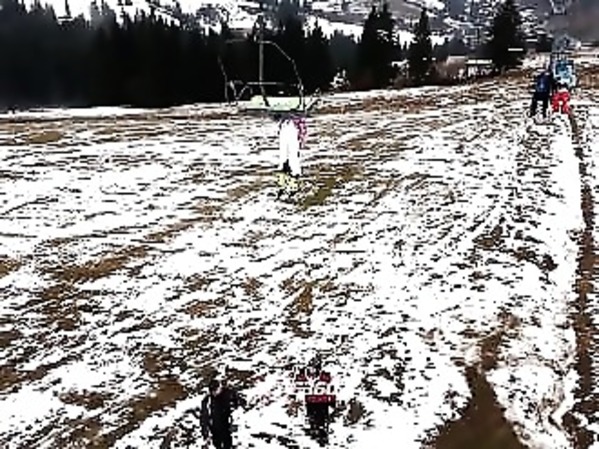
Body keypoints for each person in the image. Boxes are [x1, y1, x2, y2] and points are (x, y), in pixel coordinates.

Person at [199, 379, 245, 449]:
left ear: (219, 388)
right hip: (215, 430)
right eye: (212, 391)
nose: (214, 393)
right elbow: (204, 417)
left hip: (227, 428)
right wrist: (205, 432)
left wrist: (235, 418)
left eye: (215, 390)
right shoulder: (207, 401)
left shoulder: (229, 394)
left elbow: (240, 405)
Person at [276, 112, 307, 197]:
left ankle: (293, 185)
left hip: (293, 127)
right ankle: (283, 184)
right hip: (285, 125)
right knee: (283, 157)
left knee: (293, 158)